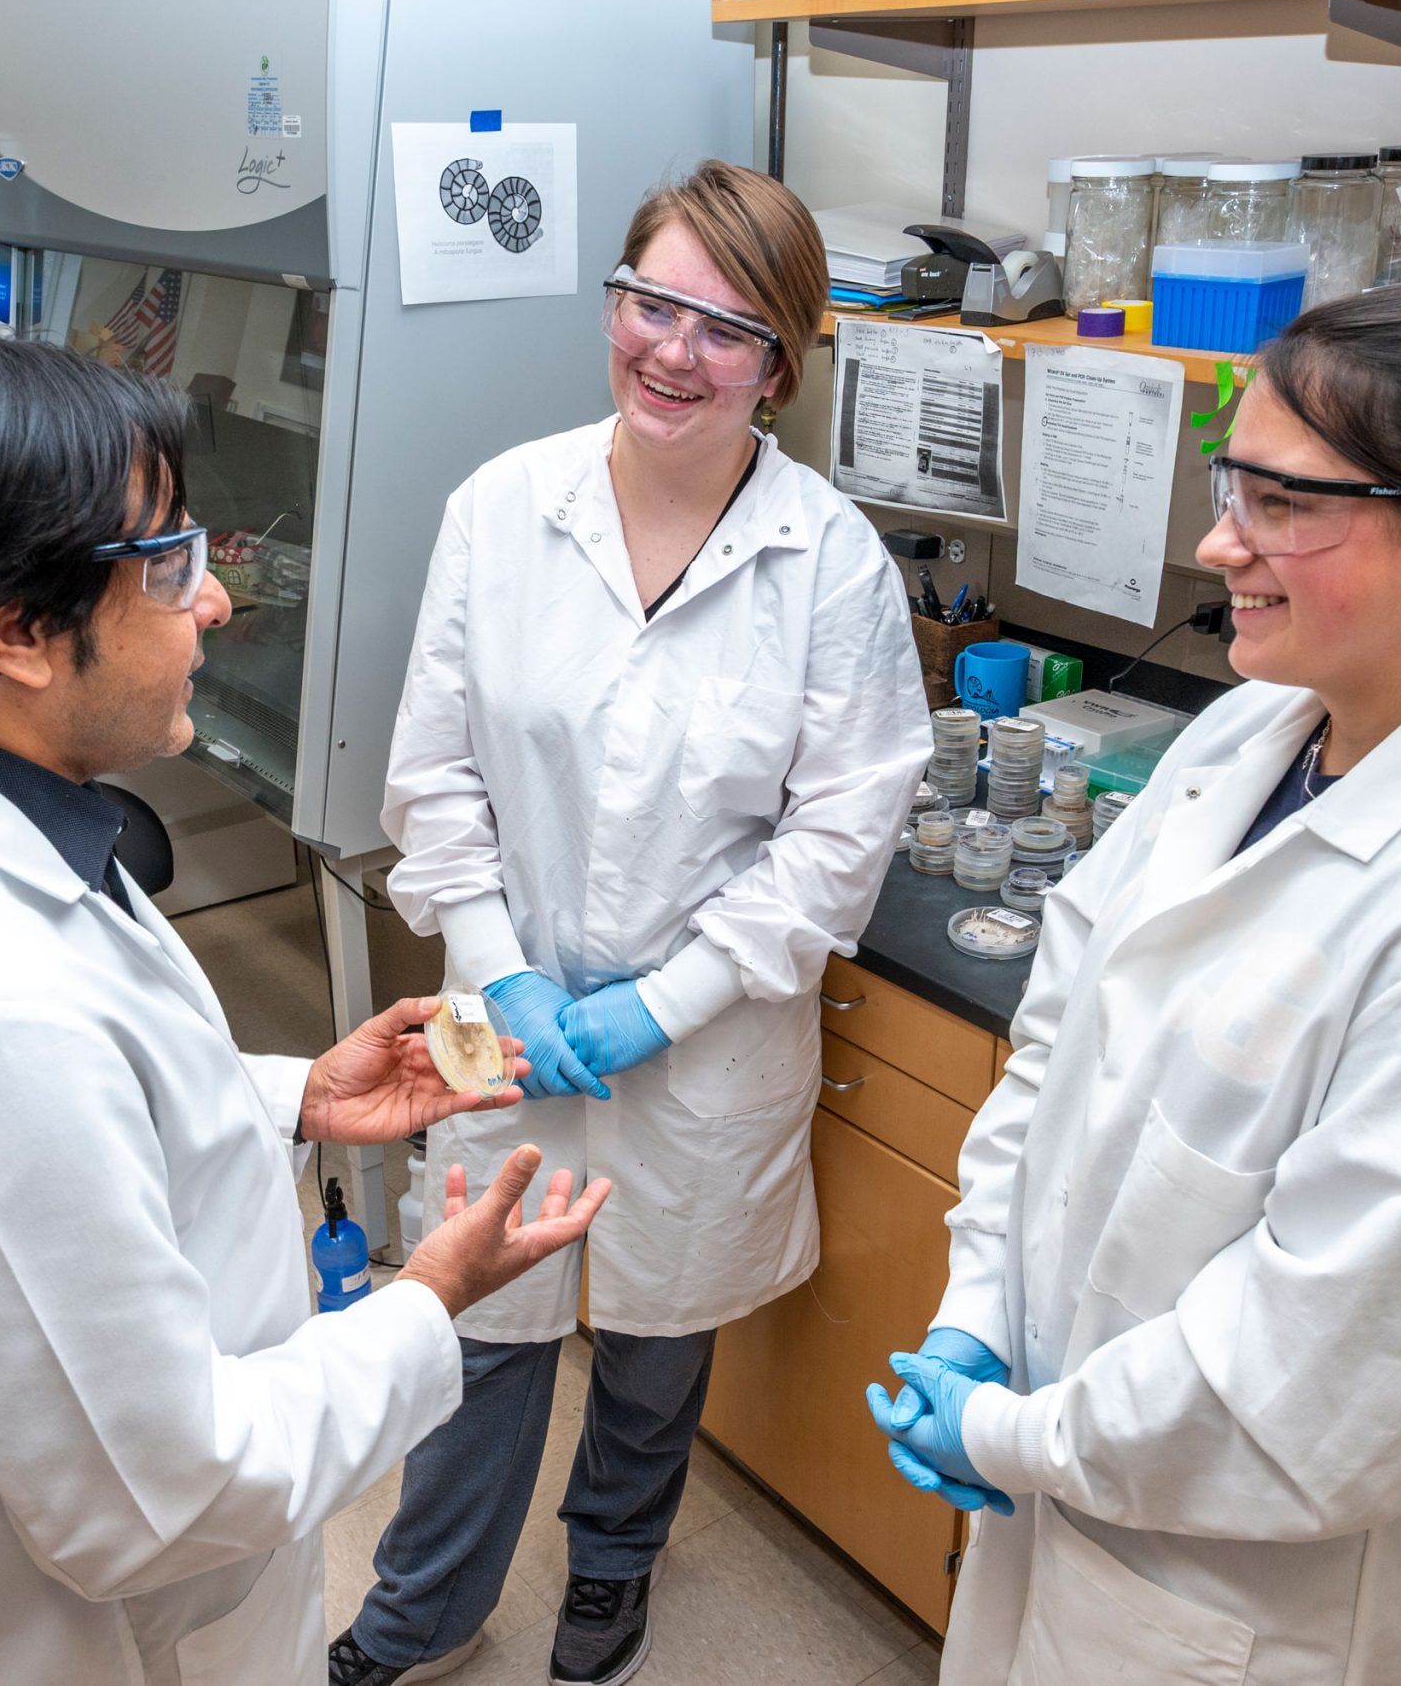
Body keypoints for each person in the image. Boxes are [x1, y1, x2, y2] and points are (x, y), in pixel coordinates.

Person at [0, 337, 609, 1686]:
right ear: (13, 628)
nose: (217, 608)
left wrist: (285, 1097)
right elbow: (163, 1497)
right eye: (172, 565)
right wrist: (432, 1299)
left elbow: (58, 1132)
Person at [867, 285, 1401, 1685]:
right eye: (1225, 481)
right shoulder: (1250, 734)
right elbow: (1054, 1043)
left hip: (1242, 1611)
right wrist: (972, 1322)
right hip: (1064, 1488)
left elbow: (1314, 1380)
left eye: (1279, 503)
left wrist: (1006, 1434)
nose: (1215, 540)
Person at [349, 161, 931, 1686]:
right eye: (651, 303)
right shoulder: (501, 509)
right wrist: (513, 980)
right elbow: (434, 777)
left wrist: (654, 1007)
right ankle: (422, 1604)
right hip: (494, 984)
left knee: (662, 1325)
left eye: (724, 327)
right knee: (479, 1306)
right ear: (613, 303)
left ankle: (611, 1570)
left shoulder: (832, 564)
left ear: (782, 365)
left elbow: (838, 835)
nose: (674, 351)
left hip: (709, 1022)